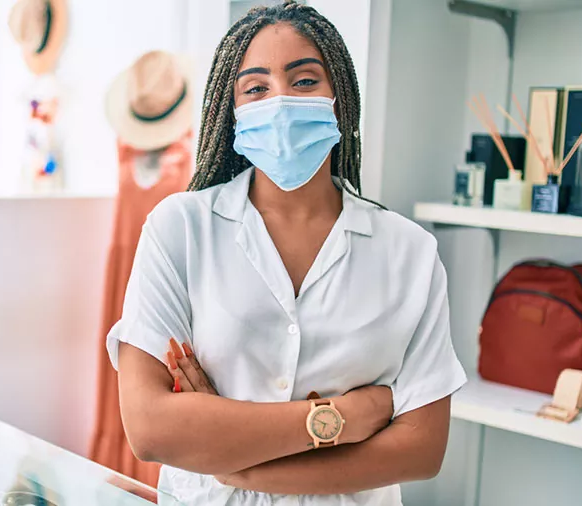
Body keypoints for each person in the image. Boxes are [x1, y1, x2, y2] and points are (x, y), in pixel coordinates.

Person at [107, 2, 466, 505]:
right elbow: (150, 430)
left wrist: (234, 460)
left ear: (339, 98)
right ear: (230, 113)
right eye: (256, 88)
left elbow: (421, 450)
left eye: (303, 81)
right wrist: (342, 419)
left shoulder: (410, 251)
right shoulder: (179, 228)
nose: (279, 102)